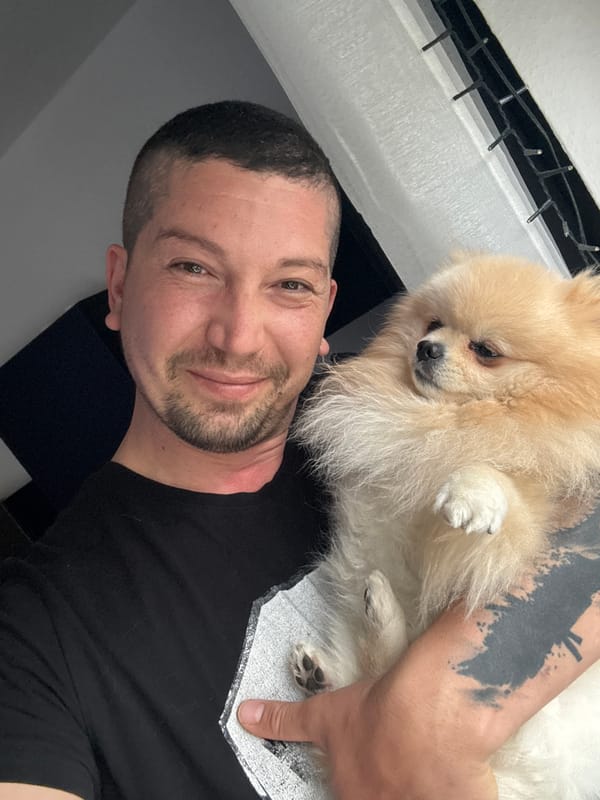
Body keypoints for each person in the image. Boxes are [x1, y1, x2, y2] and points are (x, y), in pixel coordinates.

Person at [0, 100, 598, 800]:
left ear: (324, 310)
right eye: (194, 268)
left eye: (290, 284)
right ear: (122, 284)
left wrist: (429, 718)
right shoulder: (34, 632)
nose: (238, 334)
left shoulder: (400, 420)